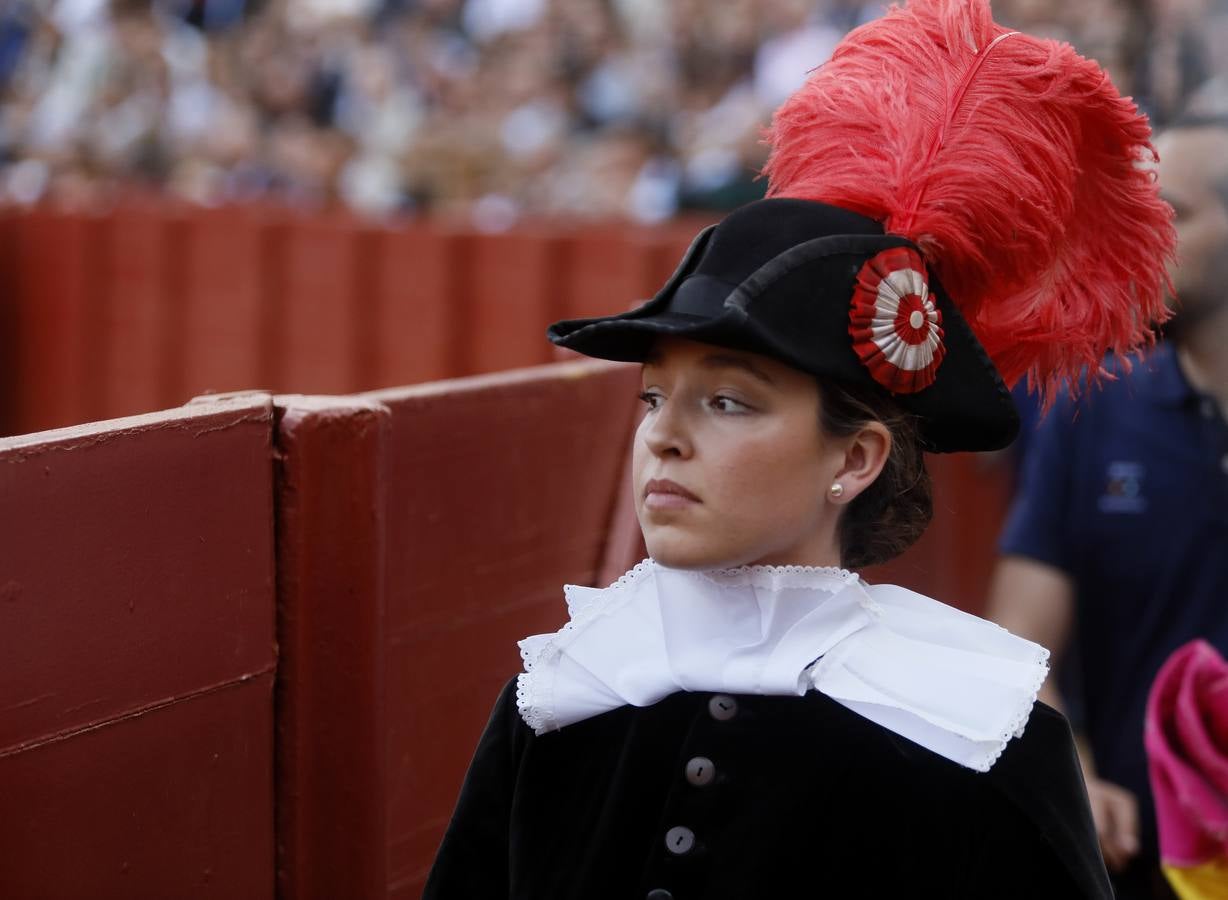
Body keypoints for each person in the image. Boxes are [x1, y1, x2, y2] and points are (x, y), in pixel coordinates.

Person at [424, 1, 1174, 896]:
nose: (663, 434)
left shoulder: (979, 734)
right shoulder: (557, 700)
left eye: (729, 402)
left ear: (852, 462)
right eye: (654, 395)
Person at [987, 110, 1228, 900]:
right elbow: (1022, 646)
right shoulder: (1090, 411)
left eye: (1174, 215)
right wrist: (1075, 772)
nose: (1140, 238)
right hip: (1139, 860)